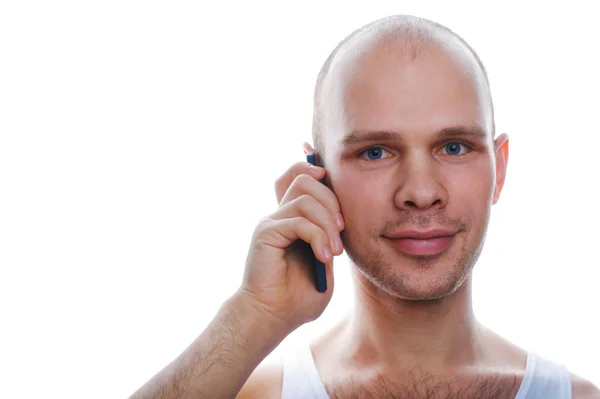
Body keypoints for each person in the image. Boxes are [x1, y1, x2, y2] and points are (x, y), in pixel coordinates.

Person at [129, 15, 600, 399]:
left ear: (498, 168)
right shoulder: (252, 394)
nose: (420, 191)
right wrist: (254, 314)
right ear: (316, 176)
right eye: (376, 152)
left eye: (454, 147)